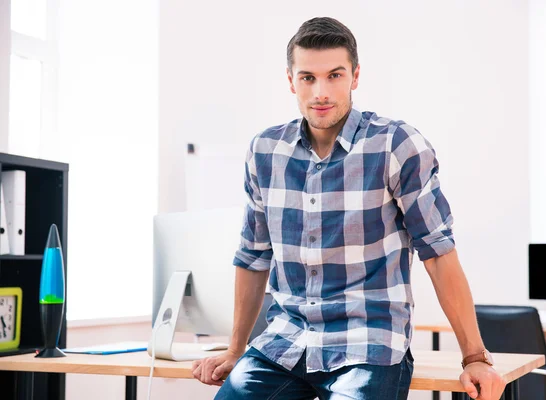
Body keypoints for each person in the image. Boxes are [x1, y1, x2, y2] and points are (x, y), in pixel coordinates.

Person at [192, 16, 506, 400]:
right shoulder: (265, 151)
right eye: (308, 77)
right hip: (283, 345)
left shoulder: (396, 145)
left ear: (355, 76)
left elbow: (438, 254)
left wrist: (475, 356)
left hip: (368, 346)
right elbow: (253, 257)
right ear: (291, 81)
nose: (321, 91)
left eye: (335, 75)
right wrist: (235, 349)